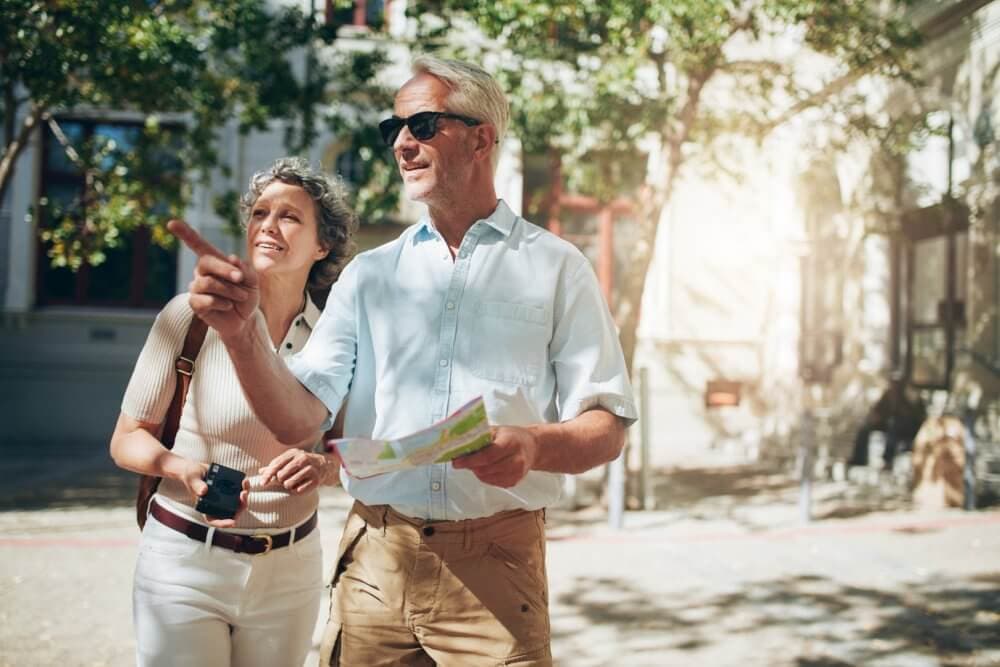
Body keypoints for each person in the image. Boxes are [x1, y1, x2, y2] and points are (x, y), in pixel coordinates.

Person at [173, 56, 637, 666]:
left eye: (421, 125)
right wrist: (240, 336)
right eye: (390, 129)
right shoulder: (370, 273)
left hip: (496, 569)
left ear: (481, 138)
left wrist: (531, 446)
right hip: (373, 560)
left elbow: (606, 427)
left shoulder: (556, 267)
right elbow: (297, 421)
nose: (400, 144)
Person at [110, 157, 356, 667]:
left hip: (290, 570)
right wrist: (179, 467)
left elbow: (351, 450)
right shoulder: (191, 316)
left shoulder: (339, 336)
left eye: (289, 216)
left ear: (323, 244)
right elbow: (127, 438)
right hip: (184, 561)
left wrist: (325, 467)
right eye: (260, 212)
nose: (268, 225)